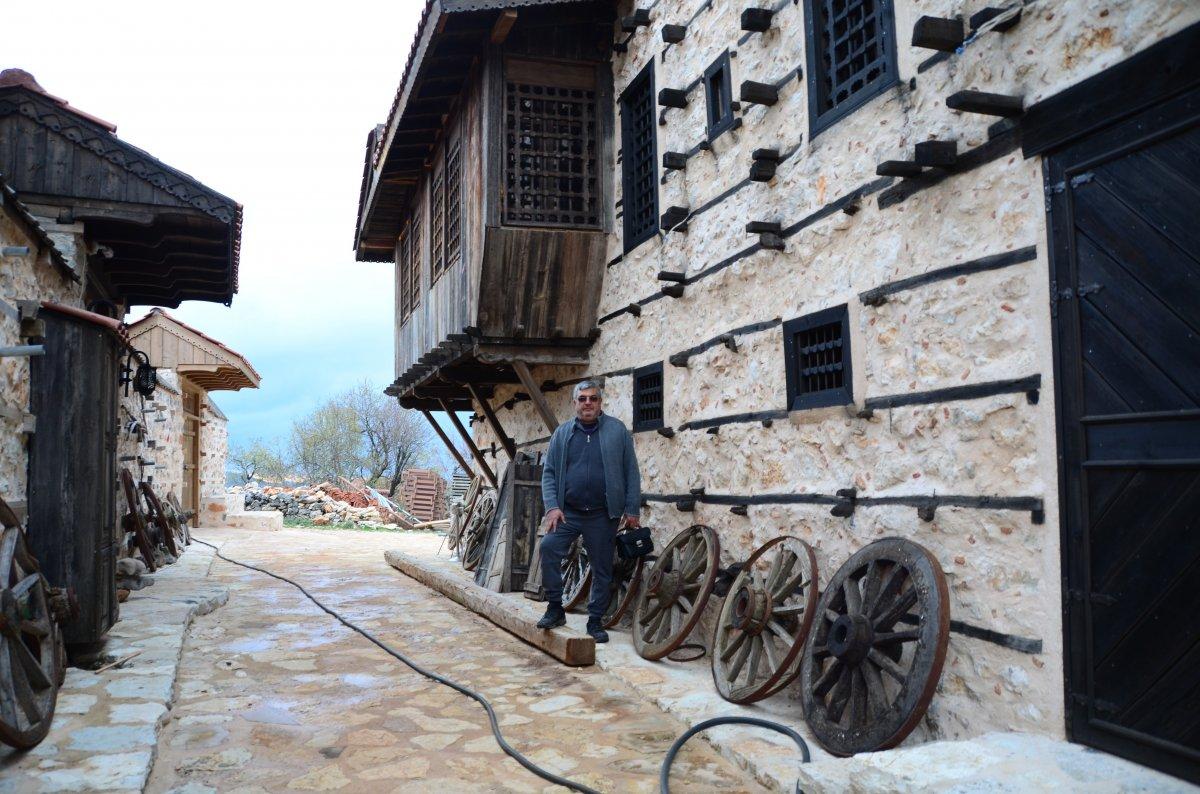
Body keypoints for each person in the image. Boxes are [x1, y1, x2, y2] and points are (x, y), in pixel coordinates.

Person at [536, 379, 642, 642]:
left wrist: (631, 509)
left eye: (593, 399)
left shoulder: (617, 432)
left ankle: (595, 621)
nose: (587, 403)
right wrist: (552, 508)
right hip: (568, 512)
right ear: (575, 403)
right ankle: (555, 607)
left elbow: (631, 472)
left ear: (600, 403)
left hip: (602, 513)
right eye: (582, 399)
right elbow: (548, 474)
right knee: (548, 548)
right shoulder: (562, 434)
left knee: (602, 567)